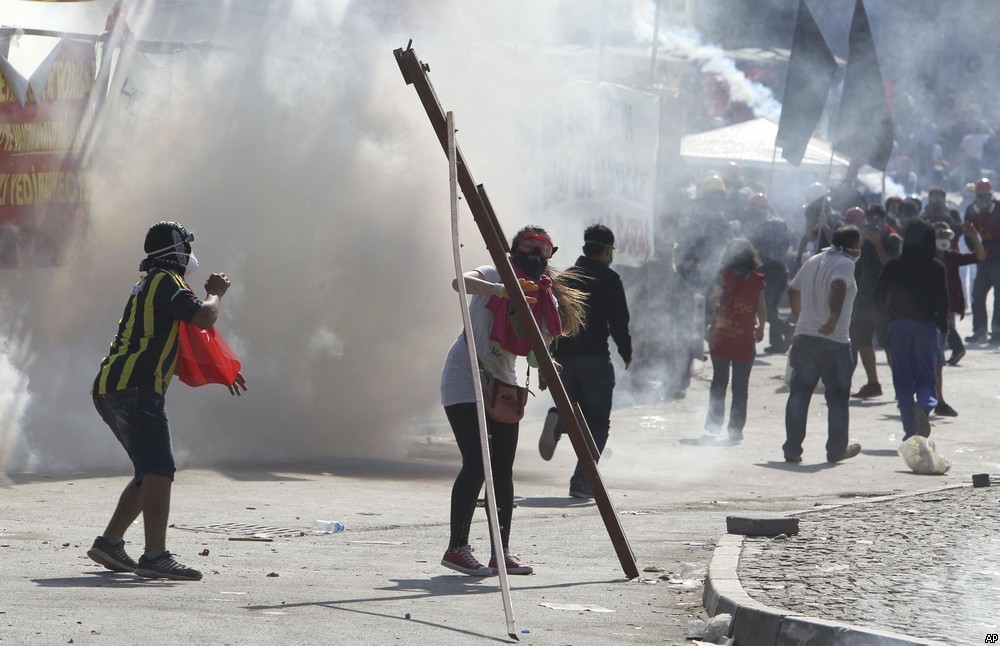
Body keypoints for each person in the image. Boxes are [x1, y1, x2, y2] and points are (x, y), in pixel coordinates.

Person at [88, 221, 247, 582]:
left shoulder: (148, 284)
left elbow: (166, 349)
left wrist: (221, 370)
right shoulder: (165, 281)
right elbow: (204, 317)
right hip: (135, 388)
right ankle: (155, 555)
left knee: (149, 470)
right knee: (159, 469)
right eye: (185, 246)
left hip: (114, 386)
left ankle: (110, 543)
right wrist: (216, 292)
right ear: (176, 252)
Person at [440, 226, 584, 576]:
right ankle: (456, 547)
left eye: (543, 250)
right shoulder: (496, 273)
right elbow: (460, 283)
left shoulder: (546, 297)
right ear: (514, 249)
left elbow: (534, 356)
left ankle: (500, 550)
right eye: (527, 248)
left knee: (502, 470)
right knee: (477, 462)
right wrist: (501, 289)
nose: (534, 256)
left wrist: (547, 363)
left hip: (504, 386)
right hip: (465, 377)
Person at [537, 224, 632, 500]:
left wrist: (548, 359)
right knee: (598, 424)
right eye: (611, 249)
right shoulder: (610, 279)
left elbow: (550, 321)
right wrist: (626, 352)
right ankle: (581, 482)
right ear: (605, 250)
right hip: (595, 362)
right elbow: (619, 322)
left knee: (571, 410)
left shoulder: (563, 278)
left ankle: (558, 421)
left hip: (564, 360)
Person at [782, 226, 862, 464]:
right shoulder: (846, 263)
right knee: (837, 399)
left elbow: (792, 290)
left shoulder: (814, 260)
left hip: (804, 337)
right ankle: (836, 450)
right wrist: (832, 320)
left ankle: (792, 449)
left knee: (799, 394)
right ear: (852, 245)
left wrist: (801, 319)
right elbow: (838, 286)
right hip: (833, 340)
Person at [872, 220, 949, 440]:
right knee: (926, 378)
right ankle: (923, 406)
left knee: (903, 380)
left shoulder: (894, 265)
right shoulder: (936, 267)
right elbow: (943, 300)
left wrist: (889, 314)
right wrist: (944, 327)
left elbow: (876, 296)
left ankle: (910, 432)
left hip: (898, 327)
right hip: (925, 328)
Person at [704, 238, 766, 441]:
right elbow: (761, 307)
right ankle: (735, 430)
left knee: (719, 381)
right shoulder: (757, 280)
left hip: (721, 335)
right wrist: (761, 327)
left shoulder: (723, 276)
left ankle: (714, 426)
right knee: (741, 386)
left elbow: (713, 301)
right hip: (744, 338)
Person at [849, 206, 902, 400]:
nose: (873, 223)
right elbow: (851, 262)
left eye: (877, 219)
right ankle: (873, 383)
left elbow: (892, 265)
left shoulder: (892, 239)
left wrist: (878, 243)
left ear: (884, 219)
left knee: (889, 345)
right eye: (870, 220)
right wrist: (861, 241)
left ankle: (901, 385)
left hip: (883, 301)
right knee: (861, 341)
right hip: (863, 301)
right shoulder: (861, 240)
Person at [933, 221, 985, 413]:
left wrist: (973, 237)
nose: (944, 241)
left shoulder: (952, 257)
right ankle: (929, 399)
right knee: (931, 360)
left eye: (946, 237)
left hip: (945, 312)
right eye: (940, 237)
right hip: (927, 313)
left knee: (937, 361)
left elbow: (979, 257)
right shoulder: (923, 259)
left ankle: (937, 400)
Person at [744, 193, 793, 353]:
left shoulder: (756, 224)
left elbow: (749, 247)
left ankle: (786, 327)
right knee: (773, 306)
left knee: (764, 308)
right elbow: (789, 241)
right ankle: (777, 343)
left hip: (765, 271)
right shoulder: (780, 222)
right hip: (781, 269)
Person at [963, 178, 1000, 344]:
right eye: (980, 196)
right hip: (984, 256)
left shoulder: (998, 208)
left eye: (986, 196)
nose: (983, 200)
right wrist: (977, 250)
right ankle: (979, 330)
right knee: (977, 295)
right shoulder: (971, 211)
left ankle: (998, 331)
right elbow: (968, 234)